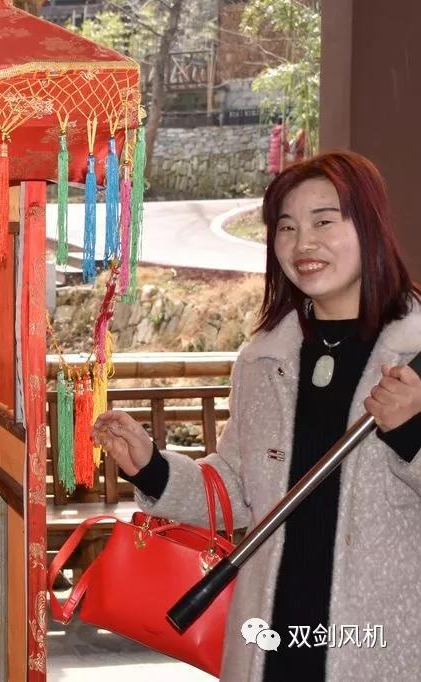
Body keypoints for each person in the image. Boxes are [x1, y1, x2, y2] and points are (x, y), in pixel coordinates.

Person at [93, 151, 421, 682]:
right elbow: (238, 488)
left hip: (382, 643)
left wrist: (411, 435)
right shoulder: (264, 358)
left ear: (371, 227)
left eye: (324, 222)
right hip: (271, 639)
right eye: (286, 227)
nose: (303, 243)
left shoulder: (414, 356)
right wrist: (151, 467)